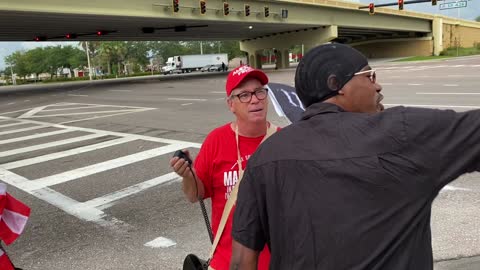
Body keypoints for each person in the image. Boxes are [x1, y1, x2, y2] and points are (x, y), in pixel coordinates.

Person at [230, 43, 480, 270]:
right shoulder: (404, 133)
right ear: (335, 84)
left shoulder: (265, 157)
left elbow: (242, 261)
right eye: (370, 76)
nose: (378, 85)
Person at [170, 65, 277, 270]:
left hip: (277, 261)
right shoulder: (216, 140)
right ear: (231, 104)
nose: (255, 99)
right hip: (226, 262)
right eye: (244, 95)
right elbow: (195, 195)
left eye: (260, 91)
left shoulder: (283, 140)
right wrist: (187, 175)